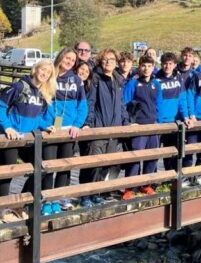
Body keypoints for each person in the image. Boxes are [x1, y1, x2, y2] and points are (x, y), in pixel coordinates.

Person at [0, 59, 56, 221]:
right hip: (11, 137)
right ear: (36, 69)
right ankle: (3, 212)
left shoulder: (42, 94)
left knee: (41, 169)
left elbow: (36, 118)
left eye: (48, 73)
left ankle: (20, 204)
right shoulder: (19, 87)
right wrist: (7, 127)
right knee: (8, 174)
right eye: (43, 69)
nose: (45, 74)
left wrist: (46, 126)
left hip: (27, 139)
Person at [81, 49, 130, 207]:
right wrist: (88, 123)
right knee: (93, 163)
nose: (108, 62)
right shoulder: (96, 79)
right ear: (100, 62)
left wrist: (126, 122)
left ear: (116, 62)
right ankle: (85, 195)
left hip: (114, 130)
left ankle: (97, 193)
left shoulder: (118, 80)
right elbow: (90, 102)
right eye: (105, 59)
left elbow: (121, 105)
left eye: (111, 59)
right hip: (99, 127)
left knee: (106, 164)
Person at [46, 48, 88, 213]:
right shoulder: (49, 75)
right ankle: (46, 200)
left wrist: (77, 124)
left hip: (69, 130)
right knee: (48, 167)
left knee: (64, 167)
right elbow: (43, 102)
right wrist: (48, 123)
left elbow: (82, 106)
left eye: (73, 60)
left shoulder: (76, 80)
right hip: (51, 129)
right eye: (67, 58)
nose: (69, 62)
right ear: (60, 56)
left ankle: (57, 199)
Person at [123, 55, 163, 199]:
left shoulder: (156, 84)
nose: (146, 69)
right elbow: (125, 103)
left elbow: (159, 104)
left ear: (153, 68)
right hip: (138, 126)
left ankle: (146, 185)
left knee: (152, 157)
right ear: (139, 67)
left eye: (149, 66)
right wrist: (130, 122)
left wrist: (158, 122)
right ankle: (130, 187)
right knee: (135, 156)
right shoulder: (133, 84)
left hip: (153, 126)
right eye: (144, 66)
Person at [156, 52, 189, 172]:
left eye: (170, 64)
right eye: (165, 63)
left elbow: (182, 100)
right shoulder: (155, 79)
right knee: (155, 153)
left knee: (172, 153)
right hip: (159, 122)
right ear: (161, 64)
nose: (167, 66)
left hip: (173, 122)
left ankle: (171, 177)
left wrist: (186, 116)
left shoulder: (179, 78)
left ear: (175, 65)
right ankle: (153, 179)